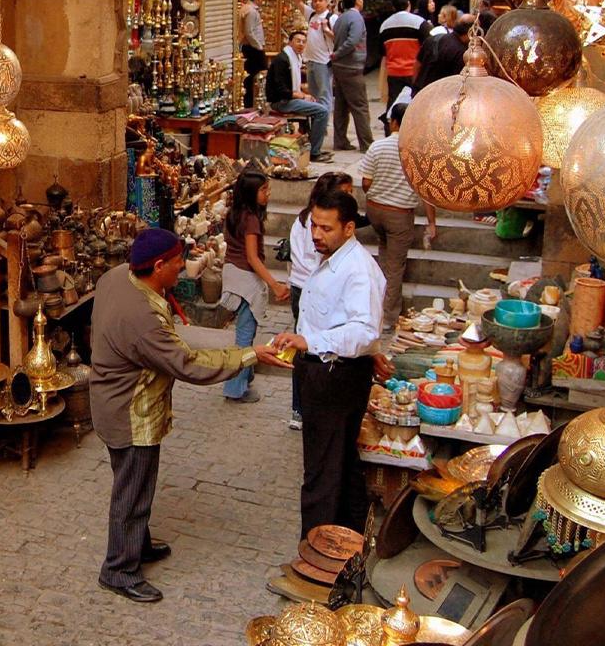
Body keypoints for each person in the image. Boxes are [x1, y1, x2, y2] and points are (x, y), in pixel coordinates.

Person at [91, 227, 291, 602]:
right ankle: (118, 570)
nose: (183, 267)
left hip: (111, 399)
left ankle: (137, 544)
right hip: (130, 412)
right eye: (178, 261)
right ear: (158, 266)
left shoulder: (116, 276)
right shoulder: (143, 319)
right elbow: (190, 364)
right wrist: (250, 354)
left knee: (135, 482)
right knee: (131, 492)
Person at [274, 189, 391, 537]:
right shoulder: (332, 257)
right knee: (341, 465)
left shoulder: (357, 269)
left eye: (326, 228)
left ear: (349, 228)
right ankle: (352, 541)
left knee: (322, 475)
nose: (316, 234)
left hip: (335, 376)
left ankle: (314, 552)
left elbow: (364, 330)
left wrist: (310, 341)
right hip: (322, 371)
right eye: (314, 225)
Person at [286, 171, 355, 430]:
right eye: (345, 193)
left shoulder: (355, 262)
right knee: (306, 348)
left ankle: (309, 407)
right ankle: (301, 408)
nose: (318, 233)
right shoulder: (308, 223)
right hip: (306, 287)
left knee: (311, 345)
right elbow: (308, 259)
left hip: (309, 286)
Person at [360, 104, 438, 328]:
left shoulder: (377, 147)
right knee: (394, 268)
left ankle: (375, 307)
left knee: (384, 256)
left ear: (393, 122)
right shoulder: (420, 152)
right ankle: (387, 317)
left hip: (375, 210)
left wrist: (378, 193)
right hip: (399, 216)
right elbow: (426, 193)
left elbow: (366, 182)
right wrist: (431, 222)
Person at [222, 169, 291, 403]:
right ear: (251, 193)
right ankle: (235, 388)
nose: (268, 194)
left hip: (233, 274)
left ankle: (246, 376)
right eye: (263, 190)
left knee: (244, 332)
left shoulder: (235, 214)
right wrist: (274, 284)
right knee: (245, 336)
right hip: (245, 280)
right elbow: (252, 257)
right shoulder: (251, 219)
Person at [266, 29, 333, 163]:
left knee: (318, 105)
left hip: (289, 98)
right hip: (281, 101)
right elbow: (281, 90)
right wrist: (302, 97)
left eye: (303, 42)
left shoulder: (296, 58)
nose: (301, 44)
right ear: (290, 42)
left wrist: (304, 95)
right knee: (322, 111)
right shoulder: (282, 60)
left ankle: (309, 147)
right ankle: (314, 152)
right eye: (298, 41)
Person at [330, 0, 374, 153]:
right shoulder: (356, 18)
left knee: (341, 105)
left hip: (340, 66)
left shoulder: (341, 18)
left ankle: (340, 139)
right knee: (359, 106)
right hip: (351, 66)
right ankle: (366, 143)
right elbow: (352, 41)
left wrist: (337, 55)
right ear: (357, 1)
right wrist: (338, 53)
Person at [378, 0, 432, 110]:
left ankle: (392, 122)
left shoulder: (385, 26)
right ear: (409, 4)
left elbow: (382, 51)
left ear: (393, 7)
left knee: (393, 105)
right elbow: (429, 45)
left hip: (394, 72)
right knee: (416, 105)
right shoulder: (419, 22)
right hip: (414, 71)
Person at [413, 14, 475, 95]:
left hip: (420, 92)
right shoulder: (462, 52)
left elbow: (417, 65)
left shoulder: (432, 39)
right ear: (471, 32)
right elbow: (457, 82)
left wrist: (415, 87)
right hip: (439, 96)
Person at [305, 0, 337, 109]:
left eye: (320, 0)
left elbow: (339, 37)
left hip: (324, 61)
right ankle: (316, 117)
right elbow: (297, 2)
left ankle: (325, 118)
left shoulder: (332, 18)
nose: (317, 3)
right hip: (311, 60)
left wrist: (326, 30)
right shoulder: (312, 16)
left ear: (326, 2)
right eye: (315, 1)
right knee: (313, 94)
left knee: (324, 92)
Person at [239, 0, 268, 109]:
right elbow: (249, 32)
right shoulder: (250, 12)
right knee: (252, 76)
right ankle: (250, 103)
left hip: (251, 47)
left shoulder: (248, 9)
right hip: (252, 49)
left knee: (251, 76)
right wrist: (259, 47)